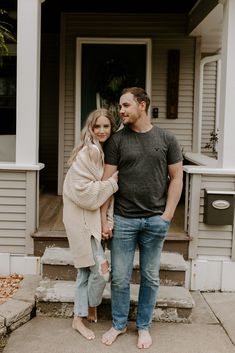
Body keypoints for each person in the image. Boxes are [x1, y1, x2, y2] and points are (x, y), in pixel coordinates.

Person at [100, 87, 183, 349]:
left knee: (150, 277)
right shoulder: (116, 140)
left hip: (155, 220)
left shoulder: (167, 139)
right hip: (124, 220)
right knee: (121, 277)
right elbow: (107, 183)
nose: (120, 111)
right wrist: (104, 220)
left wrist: (167, 216)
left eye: (125, 106)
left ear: (142, 105)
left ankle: (144, 326)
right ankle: (119, 324)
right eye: (120, 106)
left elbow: (177, 178)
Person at [63, 108, 118, 340]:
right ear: (91, 128)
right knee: (101, 272)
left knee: (86, 272)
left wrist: (108, 221)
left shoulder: (105, 153)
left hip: (94, 220)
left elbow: (106, 196)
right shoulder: (88, 152)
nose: (102, 130)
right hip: (80, 220)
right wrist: (113, 183)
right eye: (98, 126)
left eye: (106, 126)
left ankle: (82, 313)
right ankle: (85, 311)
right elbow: (84, 194)